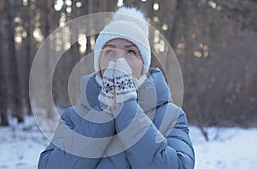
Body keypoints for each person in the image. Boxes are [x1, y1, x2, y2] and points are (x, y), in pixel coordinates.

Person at [38, 7, 195, 169]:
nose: (120, 59)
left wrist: (126, 106)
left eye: (131, 52)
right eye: (110, 51)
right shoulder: (74, 117)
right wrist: (104, 111)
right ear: (98, 63)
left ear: (144, 65)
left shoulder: (171, 116)